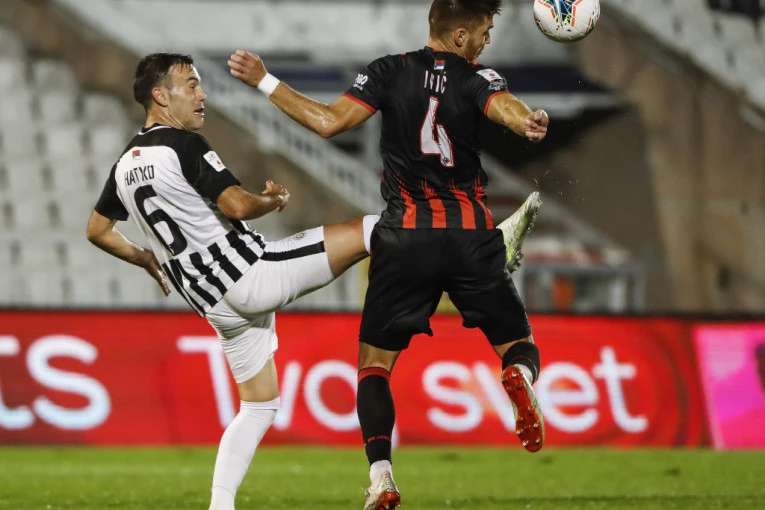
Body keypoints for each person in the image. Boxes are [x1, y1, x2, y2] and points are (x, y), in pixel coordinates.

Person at [87, 52, 538, 510]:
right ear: (161, 96)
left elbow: (97, 230)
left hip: (214, 305)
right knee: (377, 229)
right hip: (251, 274)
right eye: (190, 84)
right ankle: (489, 250)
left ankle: (220, 506)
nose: (202, 94)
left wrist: (144, 257)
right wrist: (271, 199)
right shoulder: (184, 145)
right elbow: (237, 205)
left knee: (258, 406)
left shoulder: (124, 165)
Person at [227, 1, 547, 509]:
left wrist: (265, 80)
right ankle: (520, 377)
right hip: (470, 237)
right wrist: (525, 120)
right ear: (459, 36)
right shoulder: (478, 76)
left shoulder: (388, 70)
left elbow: (329, 122)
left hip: (404, 238)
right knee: (519, 346)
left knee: (374, 366)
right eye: (484, 31)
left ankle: (382, 477)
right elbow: (501, 105)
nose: (487, 40)